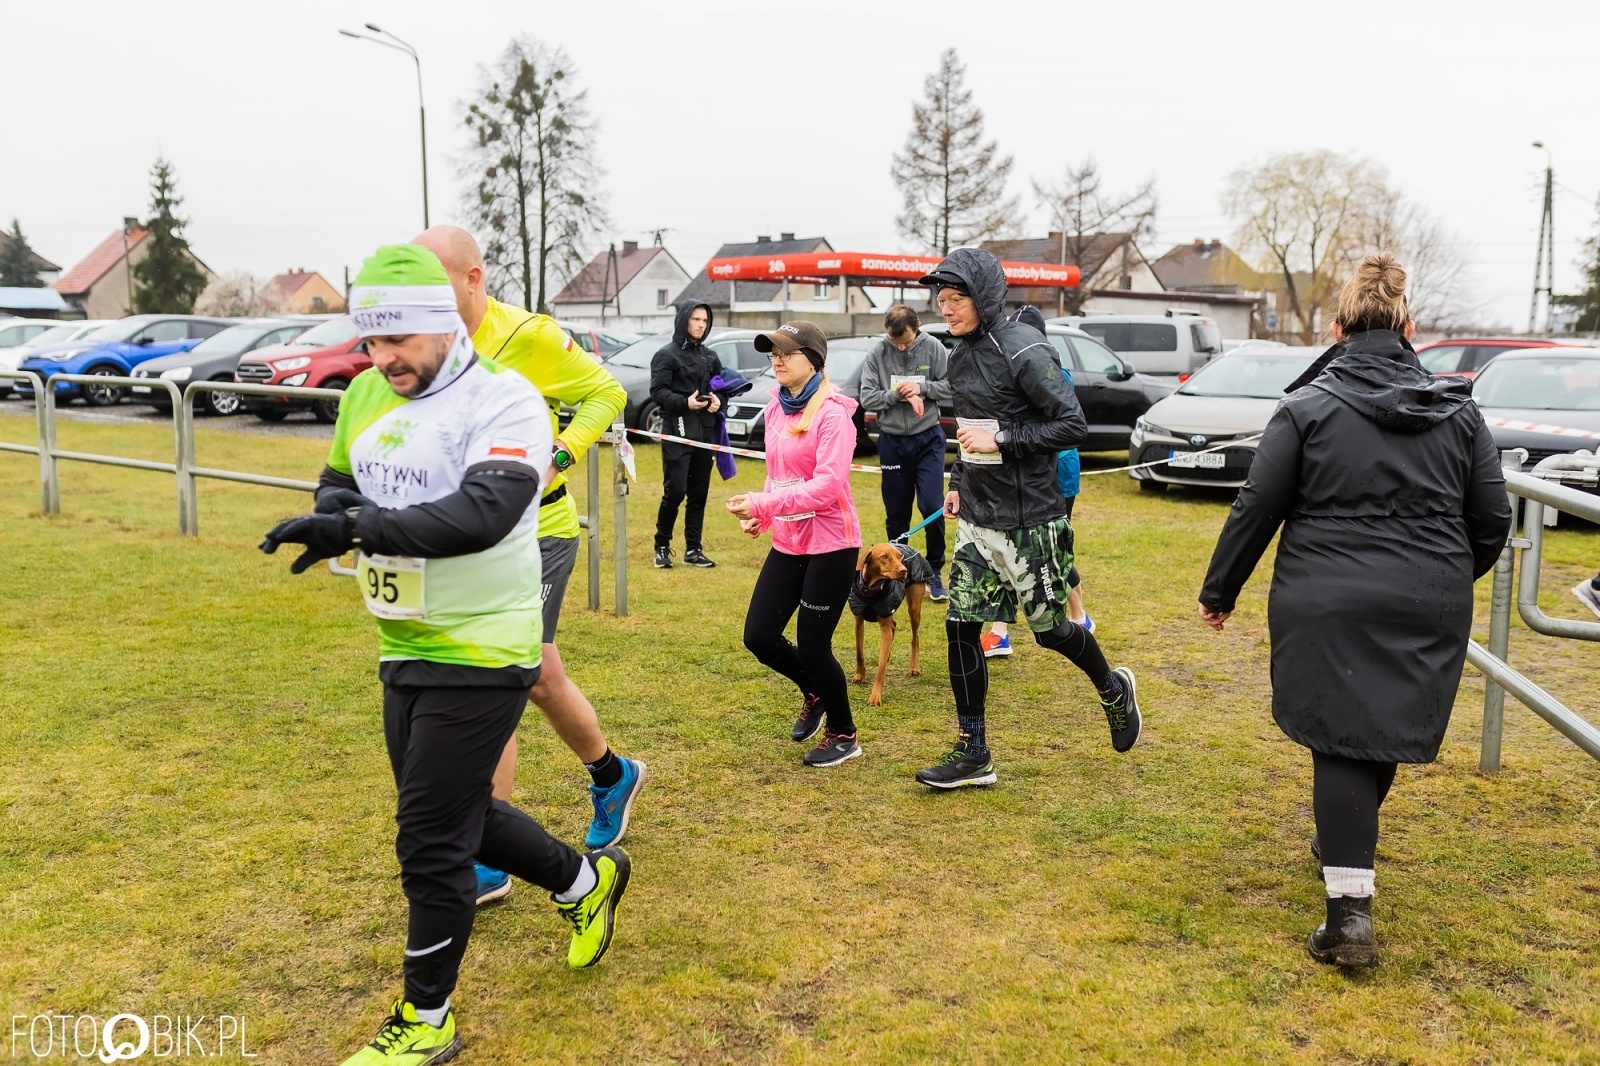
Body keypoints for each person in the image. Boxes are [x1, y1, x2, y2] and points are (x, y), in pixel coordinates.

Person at [260, 245, 630, 1065]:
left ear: (443, 324)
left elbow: (483, 514)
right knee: (460, 815)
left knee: (429, 841)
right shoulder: (364, 392)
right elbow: (339, 479)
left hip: (488, 642)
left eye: (399, 342)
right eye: (371, 342)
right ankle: (585, 882)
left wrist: (354, 530)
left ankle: (426, 1021)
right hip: (404, 639)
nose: (382, 359)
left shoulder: (505, 402)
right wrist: (334, 513)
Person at [1198, 254, 1512, 969]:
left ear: (1337, 329)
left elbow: (1259, 503)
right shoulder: (1459, 411)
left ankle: (1348, 916)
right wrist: (1450, 579)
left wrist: (1221, 589)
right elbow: (1491, 517)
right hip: (1428, 596)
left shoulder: (1306, 406)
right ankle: (1345, 851)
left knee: (1345, 737)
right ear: (1410, 326)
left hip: (1325, 595)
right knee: (1377, 727)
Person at [414, 226, 644, 909]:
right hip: (467, 535)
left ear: (473, 278)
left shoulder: (531, 338)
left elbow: (607, 394)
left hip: (537, 530)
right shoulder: (427, 347)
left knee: (499, 681)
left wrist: (563, 454)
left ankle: (485, 858)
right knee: (539, 677)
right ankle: (612, 774)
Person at [914, 250, 1141, 790]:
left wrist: (1005, 439)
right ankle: (974, 751)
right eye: (941, 301)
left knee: (1050, 632)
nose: (947, 310)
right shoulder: (959, 354)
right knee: (961, 628)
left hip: (1030, 520)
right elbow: (971, 426)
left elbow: (1071, 424)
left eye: (956, 300)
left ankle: (1112, 687)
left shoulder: (1024, 347)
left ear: (985, 296)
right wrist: (956, 484)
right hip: (977, 517)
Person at [726, 321, 864, 767]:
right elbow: (778, 472)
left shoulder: (833, 414)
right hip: (789, 539)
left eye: (787, 352)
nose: (777, 360)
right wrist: (762, 515)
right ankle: (814, 692)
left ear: (815, 360)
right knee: (759, 636)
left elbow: (826, 487)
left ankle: (844, 734)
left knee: (812, 646)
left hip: (831, 543)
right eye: (773, 353)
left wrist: (766, 502)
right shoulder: (775, 409)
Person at [984, 307, 1091, 658]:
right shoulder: (1012, 368)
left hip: (1054, 473)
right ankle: (1000, 632)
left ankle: (1079, 616)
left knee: (1050, 553)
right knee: (1009, 549)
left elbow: (1066, 426)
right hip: (1018, 474)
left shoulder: (1050, 372)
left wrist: (1008, 437)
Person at [858, 304, 951, 601]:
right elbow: (867, 397)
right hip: (892, 442)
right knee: (897, 512)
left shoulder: (934, 348)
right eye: (894, 341)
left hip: (928, 439)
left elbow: (951, 386)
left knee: (931, 505)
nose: (900, 346)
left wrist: (920, 388)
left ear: (917, 328)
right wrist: (898, 393)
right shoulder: (877, 353)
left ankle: (934, 570)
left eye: (906, 341)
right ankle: (896, 574)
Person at [651, 300, 723, 569]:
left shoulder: (711, 356)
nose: (700, 325)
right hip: (677, 430)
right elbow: (657, 392)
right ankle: (661, 546)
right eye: (695, 319)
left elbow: (721, 387)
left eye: (704, 321)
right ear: (684, 320)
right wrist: (685, 403)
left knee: (699, 493)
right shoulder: (665, 356)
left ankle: (693, 549)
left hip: (705, 431)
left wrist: (718, 402)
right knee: (675, 491)